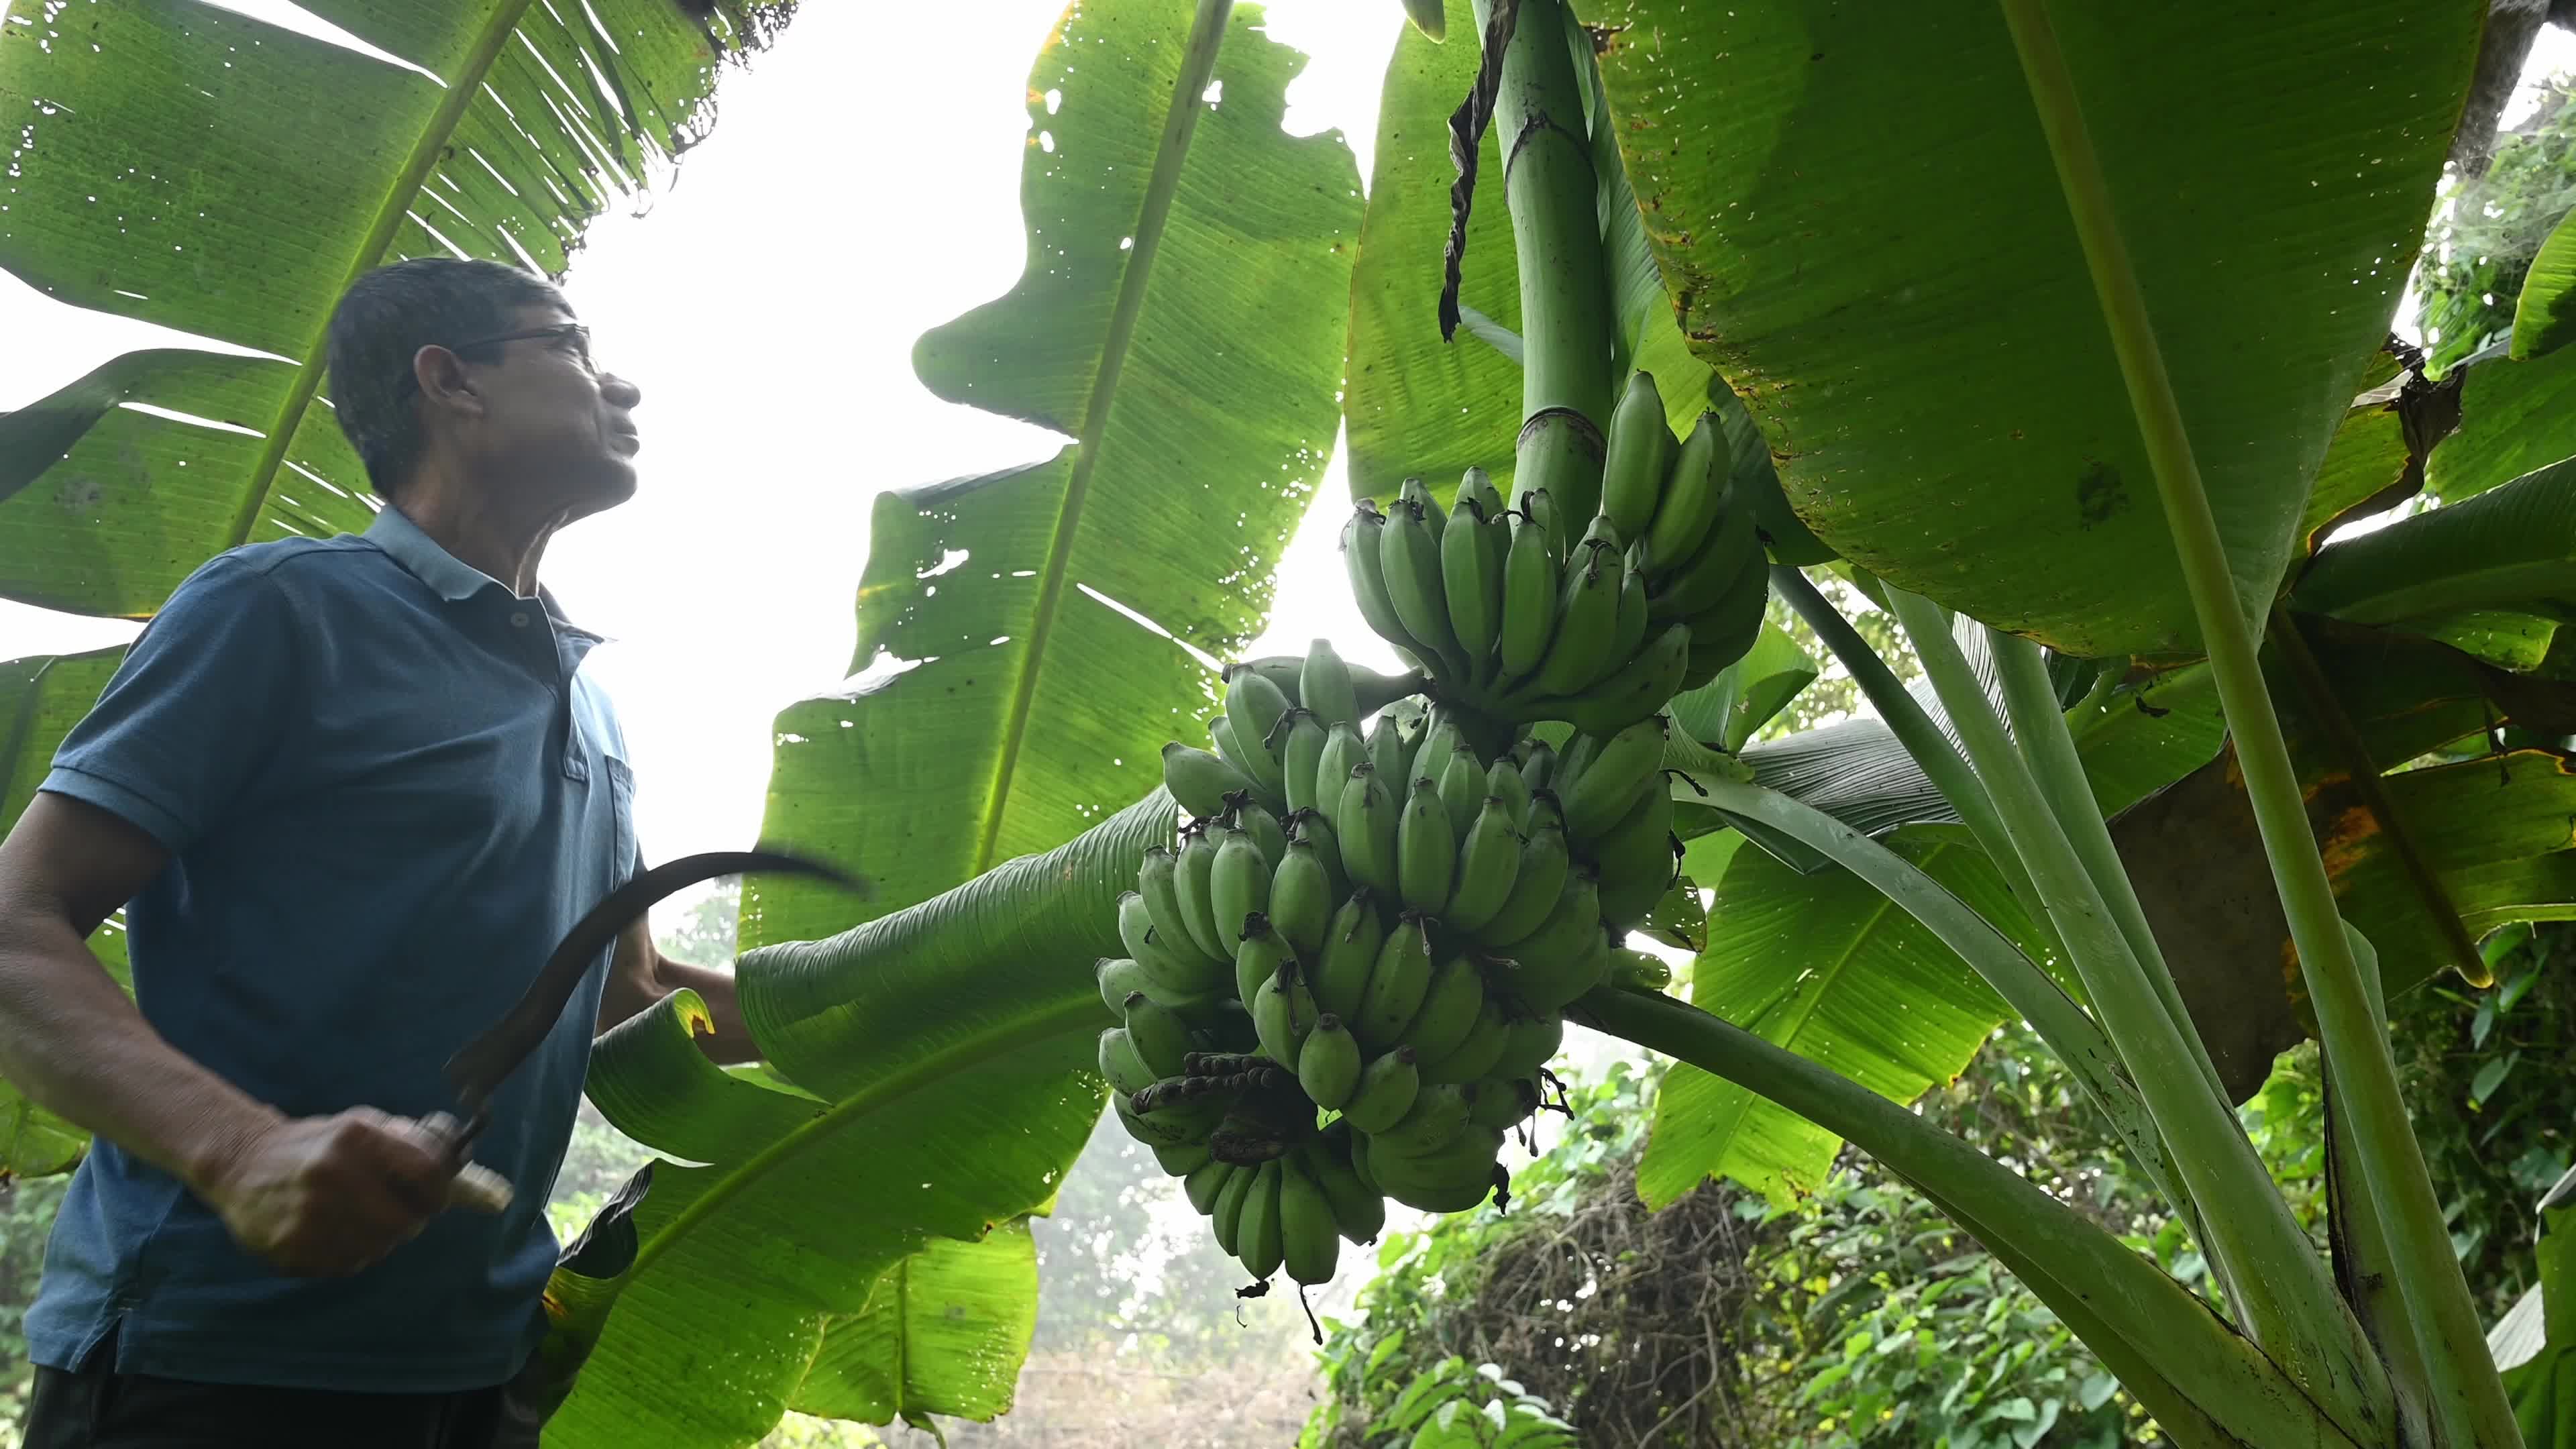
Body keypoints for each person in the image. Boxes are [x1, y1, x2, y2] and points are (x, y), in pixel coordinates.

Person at [0, 256, 748, 1447]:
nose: (623, 387)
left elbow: (632, 990)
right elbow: (14, 927)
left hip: (480, 1374)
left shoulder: (585, 697)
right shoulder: (281, 609)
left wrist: (933, 993)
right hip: (211, 1370)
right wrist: (241, 1151)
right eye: (571, 345)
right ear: (450, 381)